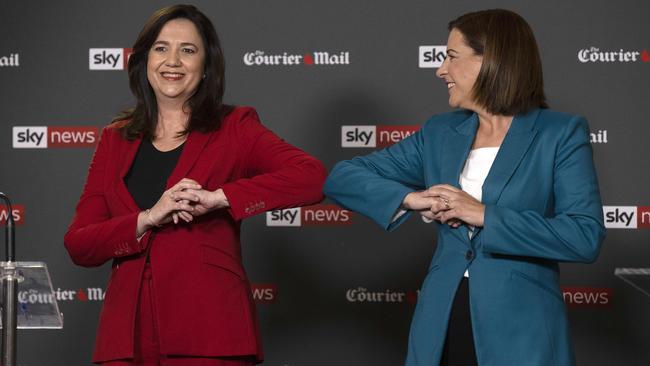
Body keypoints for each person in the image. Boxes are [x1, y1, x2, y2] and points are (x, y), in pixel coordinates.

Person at [324, 9, 605, 366]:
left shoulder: (559, 134)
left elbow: (584, 235)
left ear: (491, 60)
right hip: (442, 319)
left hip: (522, 328)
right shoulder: (440, 133)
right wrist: (411, 199)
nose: (441, 69)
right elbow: (342, 177)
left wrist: (483, 214)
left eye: (451, 57)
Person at [64, 5, 326, 365]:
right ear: (143, 61)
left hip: (210, 333)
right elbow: (79, 243)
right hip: (126, 341)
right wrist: (148, 217)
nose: (172, 60)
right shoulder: (114, 140)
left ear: (206, 67)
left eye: (188, 50)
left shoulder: (234, 127)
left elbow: (312, 176)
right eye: (161, 48)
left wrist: (220, 197)